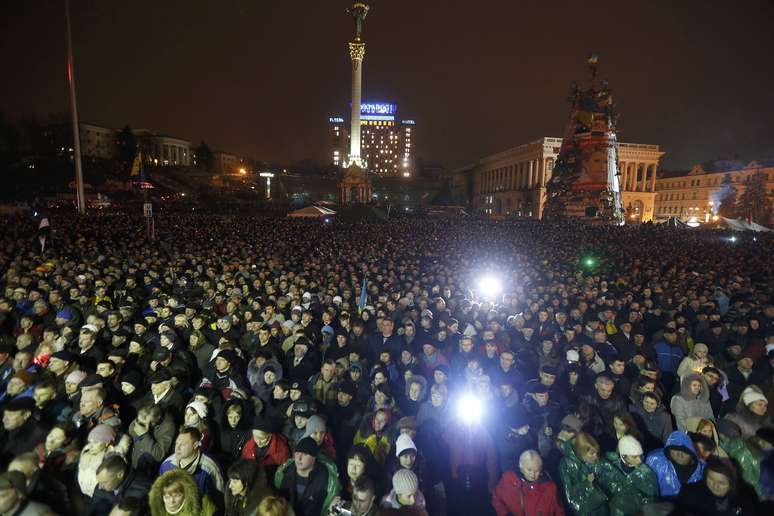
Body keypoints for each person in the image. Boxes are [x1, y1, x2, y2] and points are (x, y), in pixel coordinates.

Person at [274, 436, 341, 516]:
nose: (299, 458)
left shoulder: (326, 479)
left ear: (314, 457)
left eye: (305, 454)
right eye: (297, 453)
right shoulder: (285, 472)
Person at [596, 436, 658, 516]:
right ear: (624, 456)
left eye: (640, 456)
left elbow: (652, 503)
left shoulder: (647, 475)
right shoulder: (611, 468)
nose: (639, 460)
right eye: (634, 457)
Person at [492, 449, 564, 516]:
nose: (533, 474)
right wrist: (505, 514)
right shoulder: (508, 479)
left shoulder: (549, 488)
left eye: (536, 471)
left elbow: (559, 511)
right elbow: (496, 499)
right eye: (529, 470)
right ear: (521, 467)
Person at [159, 427, 225, 498]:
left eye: (183, 444)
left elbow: (220, 497)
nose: (177, 448)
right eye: (177, 443)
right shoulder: (166, 465)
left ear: (195, 445)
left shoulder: (210, 467)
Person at [677, 457, 755, 515]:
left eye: (721, 483)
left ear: (732, 484)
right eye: (711, 479)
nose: (715, 486)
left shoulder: (745, 497)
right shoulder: (690, 494)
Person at [644, 430, 705, 498]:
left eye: (685, 451)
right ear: (669, 450)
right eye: (675, 449)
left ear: (692, 455)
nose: (680, 454)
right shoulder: (656, 462)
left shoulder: (702, 471)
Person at [559, 432, 608, 516]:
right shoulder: (566, 464)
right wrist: (587, 483)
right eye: (592, 454)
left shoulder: (593, 460)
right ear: (581, 452)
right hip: (586, 511)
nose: (595, 456)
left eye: (596, 452)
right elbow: (571, 498)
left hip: (602, 508)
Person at [148, 469, 217, 516]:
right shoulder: (158, 512)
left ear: (185, 494)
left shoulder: (204, 505)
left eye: (177, 495)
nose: (172, 501)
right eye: (167, 497)